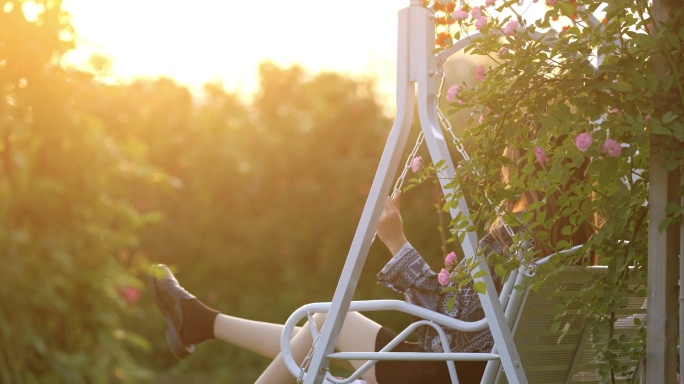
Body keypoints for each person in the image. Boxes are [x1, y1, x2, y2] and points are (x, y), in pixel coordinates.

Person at [148, 146, 595, 384]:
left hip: (452, 376)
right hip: (479, 373)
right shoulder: (577, 246)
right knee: (323, 326)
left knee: (325, 322)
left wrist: (396, 241)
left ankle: (200, 322)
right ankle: (201, 322)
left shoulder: (513, 239)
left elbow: (450, 328)